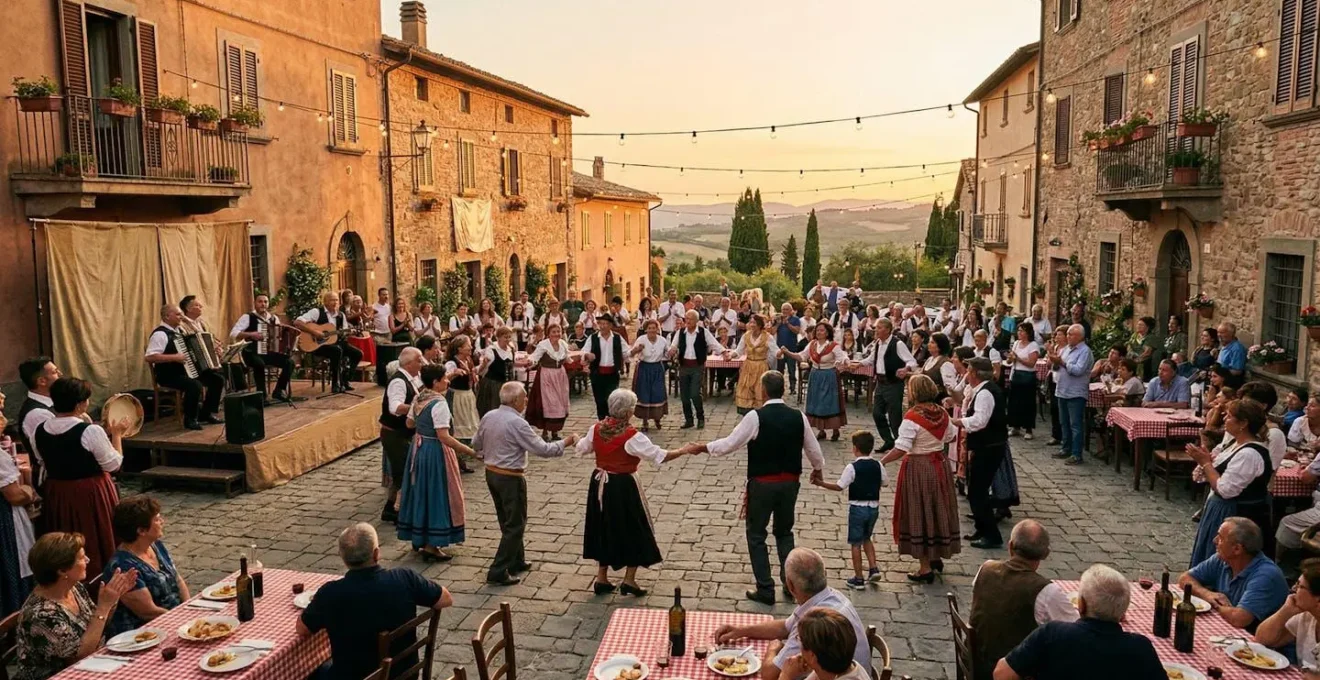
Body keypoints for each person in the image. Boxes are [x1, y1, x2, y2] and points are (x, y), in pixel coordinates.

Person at [700, 372, 825, 604]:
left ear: (764, 391)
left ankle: (766, 588)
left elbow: (730, 443)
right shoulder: (798, 416)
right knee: (784, 532)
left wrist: (703, 447)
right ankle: (791, 585)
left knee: (756, 534)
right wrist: (818, 468)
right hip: (789, 483)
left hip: (763, 484)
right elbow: (813, 449)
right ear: (783, 390)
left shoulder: (755, 417)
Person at [577, 389, 695, 595]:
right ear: (628, 412)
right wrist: (683, 450)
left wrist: (576, 439)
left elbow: (582, 448)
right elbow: (659, 455)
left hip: (599, 484)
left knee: (603, 526)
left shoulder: (596, 429)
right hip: (623, 486)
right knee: (634, 527)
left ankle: (602, 577)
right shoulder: (632, 436)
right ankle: (629, 580)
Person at [297, 524, 452, 680]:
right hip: (405, 674)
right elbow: (445, 599)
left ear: (343, 558)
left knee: (309, 672)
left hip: (352, 675)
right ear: (376, 553)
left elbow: (302, 629)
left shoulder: (330, 593)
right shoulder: (404, 578)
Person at [471, 382, 574, 586]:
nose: (526, 400)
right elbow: (543, 449)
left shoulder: (489, 416)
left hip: (492, 473)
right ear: (516, 400)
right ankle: (498, 570)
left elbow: (476, 443)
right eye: (524, 397)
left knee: (506, 519)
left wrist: (488, 453)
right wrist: (567, 442)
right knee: (515, 524)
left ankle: (516, 559)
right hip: (510, 476)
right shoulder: (517, 423)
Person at [713, 548, 870, 680]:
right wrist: (741, 631)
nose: (797, 653)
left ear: (790, 585)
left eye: (799, 641)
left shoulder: (816, 631)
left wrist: (782, 667)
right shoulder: (829, 598)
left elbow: (769, 674)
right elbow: (786, 627)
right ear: (824, 574)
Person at [993, 564, 1164, 680]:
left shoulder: (1053, 633)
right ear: (1122, 613)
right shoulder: (1140, 648)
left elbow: (1001, 674)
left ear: (1081, 605)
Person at [35, 378, 126, 579]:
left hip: (58, 492)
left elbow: (43, 459)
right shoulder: (89, 431)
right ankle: (99, 576)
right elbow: (113, 465)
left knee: (65, 533)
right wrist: (117, 435)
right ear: (79, 404)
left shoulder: (41, 429)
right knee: (94, 534)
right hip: (90, 492)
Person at [14, 533, 136, 680]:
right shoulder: (42, 614)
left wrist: (112, 599)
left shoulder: (73, 588)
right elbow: (79, 656)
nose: (87, 560)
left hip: (94, 666)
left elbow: (97, 626)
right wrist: (103, 607)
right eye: (82, 558)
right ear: (62, 570)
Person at [970, 520, 1078, 680]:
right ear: (1045, 554)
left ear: (1010, 546)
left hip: (977, 662)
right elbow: (1076, 629)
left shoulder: (986, 568)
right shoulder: (1045, 591)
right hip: (1013, 672)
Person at [878, 375, 960, 581]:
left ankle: (925, 568)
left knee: (919, 512)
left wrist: (882, 461)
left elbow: (901, 447)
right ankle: (935, 556)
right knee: (937, 508)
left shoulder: (912, 417)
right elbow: (951, 436)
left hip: (918, 467)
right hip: (939, 465)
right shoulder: (942, 413)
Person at [396, 365, 475, 563]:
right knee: (437, 493)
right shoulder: (439, 403)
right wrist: (471, 452)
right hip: (435, 452)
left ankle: (419, 537)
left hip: (418, 449)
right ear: (435, 382)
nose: (447, 381)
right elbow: (444, 436)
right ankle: (432, 545)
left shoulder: (419, 398)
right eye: (444, 379)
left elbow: (409, 424)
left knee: (420, 491)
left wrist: (423, 427)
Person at [1186, 399, 1274, 567]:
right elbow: (1202, 477)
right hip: (1218, 509)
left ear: (1243, 423)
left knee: (1225, 562)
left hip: (1235, 514)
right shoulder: (1234, 444)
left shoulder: (1249, 454)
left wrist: (1205, 463)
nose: (1225, 418)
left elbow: (1225, 490)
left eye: (1229, 416)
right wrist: (1205, 461)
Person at [1180, 517, 1289, 634]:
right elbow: (1185, 578)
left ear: (1237, 549)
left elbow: (1239, 618)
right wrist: (1207, 594)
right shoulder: (1222, 559)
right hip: (1231, 632)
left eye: (1220, 538)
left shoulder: (1265, 575)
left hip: (1260, 641)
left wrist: (1215, 605)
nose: (1214, 540)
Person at [101, 496, 189, 637]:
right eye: (157, 520)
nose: (162, 521)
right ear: (141, 531)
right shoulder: (123, 567)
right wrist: (184, 622)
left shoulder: (155, 545)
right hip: (146, 633)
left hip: (176, 619)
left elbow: (177, 579)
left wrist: (187, 608)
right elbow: (148, 612)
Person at [811, 431, 885, 590]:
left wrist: (821, 483)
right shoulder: (878, 465)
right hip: (873, 508)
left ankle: (858, 578)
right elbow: (884, 482)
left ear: (855, 448)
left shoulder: (852, 467)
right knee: (867, 538)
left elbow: (840, 486)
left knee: (855, 543)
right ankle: (873, 568)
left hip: (858, 508)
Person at [952, 358, 1009, 549]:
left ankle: (992, 535)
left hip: (989, 446)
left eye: (969, 370)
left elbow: (980, 421)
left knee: (978, 491)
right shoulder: (982, 390)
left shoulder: (985, 393)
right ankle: (982, 528)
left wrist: (959, 422)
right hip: (985, 445)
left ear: (975, 373)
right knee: (975, 489)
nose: (966, 374)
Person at [145, 303, 225, 429]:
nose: (181, 317)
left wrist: (213, 350)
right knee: (194, 385)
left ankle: (206, 413)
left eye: (181, 314)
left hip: (186, 371)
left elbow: (196, 344)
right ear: (167, 317)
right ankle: (190, 419)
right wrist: (174, 357)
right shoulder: (160, 334)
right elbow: (149, 357)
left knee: (217, 379)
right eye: (178, 314)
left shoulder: (180, 331)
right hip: (168, 375)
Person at [782, 323, 849, 442]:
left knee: (830, 402)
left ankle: (835, 429)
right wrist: (787, 352)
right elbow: (802, 356)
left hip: (829, 375)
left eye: (822, 330)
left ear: (827, 332)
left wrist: (844, 361)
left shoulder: (833, 346)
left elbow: (842, 357)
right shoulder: (812, 344)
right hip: (815, 375)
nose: (819, 332)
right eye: (817, 330)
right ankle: (821, 430)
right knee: (817, 402)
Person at [859, 319, 917, 452]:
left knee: (894, 416)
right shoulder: (878, 343)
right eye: (876, 327)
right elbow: (871, 359)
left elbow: (912, 361)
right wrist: (857, 364)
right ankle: (888, 440)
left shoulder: (898, 344)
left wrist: (905, 369)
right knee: (877, 413)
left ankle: (900, 443)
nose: (876, 330)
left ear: (887, 330)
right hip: (880, 383)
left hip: (893, 384)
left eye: (879, 327)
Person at [379, 348, 423, 523]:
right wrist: (417, 407)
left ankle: (391, 509)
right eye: (419, 360)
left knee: (402, 471)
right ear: (409, 363)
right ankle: (397, 510)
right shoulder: (398, 381)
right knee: (403, 473)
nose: (421, 363)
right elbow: (395, 407)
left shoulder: (411, 379)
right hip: (394, 434)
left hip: (402, 433)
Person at [0, 419, 37, 617]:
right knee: (9, 573)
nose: (4, 420)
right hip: (4, 522)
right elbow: (14, 496)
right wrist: (28, 491)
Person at [1254, 562, 1320, 672]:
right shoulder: (1305, 616)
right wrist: (1285, 611)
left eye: (1300, 586)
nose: (1293, 588)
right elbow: (1263, 639)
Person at [294, 292, 364, 394]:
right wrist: (315, 332)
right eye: (332, 300)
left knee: (358, 354)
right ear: (325, 302)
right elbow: (297, 322)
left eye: (336, 300)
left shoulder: (341, 315)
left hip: (337, 343)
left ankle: (345, 380)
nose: (335, 303)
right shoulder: (317, 312)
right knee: (336, 350)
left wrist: (349, 332)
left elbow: (343, 332)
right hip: (318, 345)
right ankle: (336, 383)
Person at [230, 293, 294, 404]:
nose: (263, 304)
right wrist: (251, 334)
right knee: (259, 364)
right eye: (260, 301)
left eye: (265, 302)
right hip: (251, 352)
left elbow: (279, 336)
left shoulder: (274, 319)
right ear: (255, 303)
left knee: (289, 362)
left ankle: (279, 390)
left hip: (268, 353)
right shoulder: (248, 317)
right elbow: (233, 334)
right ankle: (262, 395)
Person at [669, 310, 724, 430]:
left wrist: (724, 352)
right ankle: (689, 420)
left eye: (690, 319)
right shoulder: (680, 332)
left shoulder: (703, 332)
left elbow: (714, 344)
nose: (687, 321)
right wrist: (672, 350)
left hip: (697, 367)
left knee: (694, 394)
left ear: (697, 321)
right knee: (684, 396)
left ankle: (700, 418)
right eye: (686, 318)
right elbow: (673, 345)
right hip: (684, 366)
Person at [1049, 324, 1092, 465]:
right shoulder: (1067, 349)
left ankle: (1076, 454)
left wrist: (1061, 362)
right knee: (1064, 422)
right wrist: (1054, 361)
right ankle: (1065, 448)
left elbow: (1078, 370)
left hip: (1076, 393)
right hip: (1062, 390)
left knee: (1075, 425)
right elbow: (1057, 368)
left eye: (1070, 334)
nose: (1068, 336)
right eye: (1067, 334)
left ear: (1080, 336)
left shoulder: (1085, 351)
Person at [793, 608, 871, 680]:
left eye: (799, 640)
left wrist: (787, 675)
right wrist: (814, 664)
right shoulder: (849, 667)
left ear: (812, 655)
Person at [16, 356, 59, 485]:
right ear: (42, 381)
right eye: (55, 372)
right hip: (55, 479)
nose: (60, 375)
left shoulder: (52, 404)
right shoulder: (37, 414)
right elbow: (53, 452)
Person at [526, 323, 573, 441]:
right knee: (548, 402)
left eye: (558, 331)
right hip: (546, 376)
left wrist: (581, 358)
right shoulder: (543, 345)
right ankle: (545, 431)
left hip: (560, 376)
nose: (557, 334)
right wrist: (530, 361)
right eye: (554, 332)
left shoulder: (563, 344)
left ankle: (555, 431)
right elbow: (534, 357)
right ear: (548, 333)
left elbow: (568, 358)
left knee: (559, 403)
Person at [729, 315, 778, 414]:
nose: (751, 325)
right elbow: (738, 351)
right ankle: (747, 414)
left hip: (761, 366)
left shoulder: (767, 337)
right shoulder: (746, 336)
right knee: (746, 389)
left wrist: (780, 353)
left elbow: (775, 351)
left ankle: (761, 413)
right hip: (748, 366)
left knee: (760, 390)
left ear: (759, 325)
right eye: (750, 322)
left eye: (754, 323)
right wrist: (730, 355)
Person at [628, 320, 670, 431]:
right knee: (644, 393)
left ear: (657, 329)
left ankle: (657, 418)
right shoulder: (641, 339)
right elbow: (630, 354)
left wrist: (672, 352)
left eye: (654, 328)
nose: (652, 330)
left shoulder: (662, 340)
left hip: (657, 368)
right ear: (646, 329)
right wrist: (637, 349)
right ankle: (645, 421)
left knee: (657, 392)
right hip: (644, 368)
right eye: (649, 328)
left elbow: (668, 354)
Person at [583, 315, 625, 421]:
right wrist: (587, 355)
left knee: (611, 399)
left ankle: (611, 421)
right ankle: (602, 421)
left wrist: (635, 351)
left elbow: (626, 351)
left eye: (605, 324)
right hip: (597, 374)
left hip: (612, 374)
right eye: (601, 323)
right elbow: (584, 351)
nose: (603, 326)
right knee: (599, 400)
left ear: (610, 325)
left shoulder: (617, 337)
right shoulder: (593, 337)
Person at [443, 336, 483, 447]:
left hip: (468, 394)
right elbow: (444, 378)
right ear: (459, 349)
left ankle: (470, 442)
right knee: (460, 418)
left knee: (470, 417)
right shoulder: (452, 363)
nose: (471, 347)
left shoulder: (468, 360)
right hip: (458, 395)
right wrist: (454, 373)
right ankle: (460, 443)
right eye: (468, 345)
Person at [1004, 323, 1040, 439]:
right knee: (1014, 402)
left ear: (1028, 333)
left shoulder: (1033, 345)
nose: (1019, 333)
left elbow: (1031, 363)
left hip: (1027, 377)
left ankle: (1028, 429)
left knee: (1027, 403)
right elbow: (1010, 361)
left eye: (1022, 331)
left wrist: (1018, 358)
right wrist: (1010, 358)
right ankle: (1015, 426)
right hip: (1016, 375)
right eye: (1018, 330)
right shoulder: (1016, 343)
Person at [476, 327, 517, 416]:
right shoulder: (492, 350)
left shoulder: (511, 349)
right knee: (493, 409)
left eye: (509, 337)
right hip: (493, 385)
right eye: (505, 337)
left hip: (506, 384)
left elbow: (512, 367)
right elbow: (483, 369)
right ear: (498, 337)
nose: (508, 339)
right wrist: (483, 365)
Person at [776, 303, 803, 394]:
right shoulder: (778, 319)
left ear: (791, 311)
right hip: (780, 349)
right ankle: (779, 389)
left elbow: (797, 331)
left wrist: (788, 323)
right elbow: (772, 331)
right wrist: (778, 324)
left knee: (792, 370)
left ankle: (792, 388)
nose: (785, 311)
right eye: (783, 309)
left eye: (787, 309)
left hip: (791, 348)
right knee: (779, 371)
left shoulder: (796, 319)